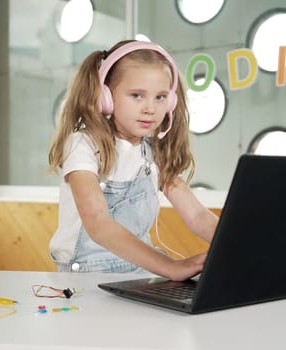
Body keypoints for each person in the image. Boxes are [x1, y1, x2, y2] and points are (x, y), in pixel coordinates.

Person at [47, 40, 219, 282]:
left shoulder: (153, 154)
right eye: (137, 95)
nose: (150, 108)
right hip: (85, 277)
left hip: (139, 274)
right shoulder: (82, 145)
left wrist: (238, 247)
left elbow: (197, 216)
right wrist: (171, 267)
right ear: (105, 96)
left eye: (160, 97)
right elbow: (98, 223)